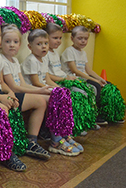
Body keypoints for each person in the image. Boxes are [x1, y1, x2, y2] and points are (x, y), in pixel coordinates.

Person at [0, 17, 50, 172]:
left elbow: (2, 82)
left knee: (39, 102)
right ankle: (6, 154)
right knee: (2, 111)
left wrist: (10, 93)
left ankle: (31, 141)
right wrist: (0, 97)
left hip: (0, 93)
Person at [16, 28, 82, 156]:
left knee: (63, 95)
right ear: (30, 46)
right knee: (56, 99)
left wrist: (58, 88)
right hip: (33, 90)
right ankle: (56, 140)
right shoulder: (31, 60)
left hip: (42, 88)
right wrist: (52, 91)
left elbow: (46, 78)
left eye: (45, 43)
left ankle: (65, 134)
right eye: (39, 44)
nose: (43, 47)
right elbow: (36, 82)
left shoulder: (44, 59)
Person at [61, 25, 108, 125]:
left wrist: (100, 79)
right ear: (72, 38)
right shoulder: (69, 51)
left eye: (85, 39)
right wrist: (95, 81)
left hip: (83, 77)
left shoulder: (83, 53)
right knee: (96, 86)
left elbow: (89, 70)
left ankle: (102, 113)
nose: (83, 41)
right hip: (75, 79)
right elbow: (76, 71)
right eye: (80, 38)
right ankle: (94, 116)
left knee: (106, 84)